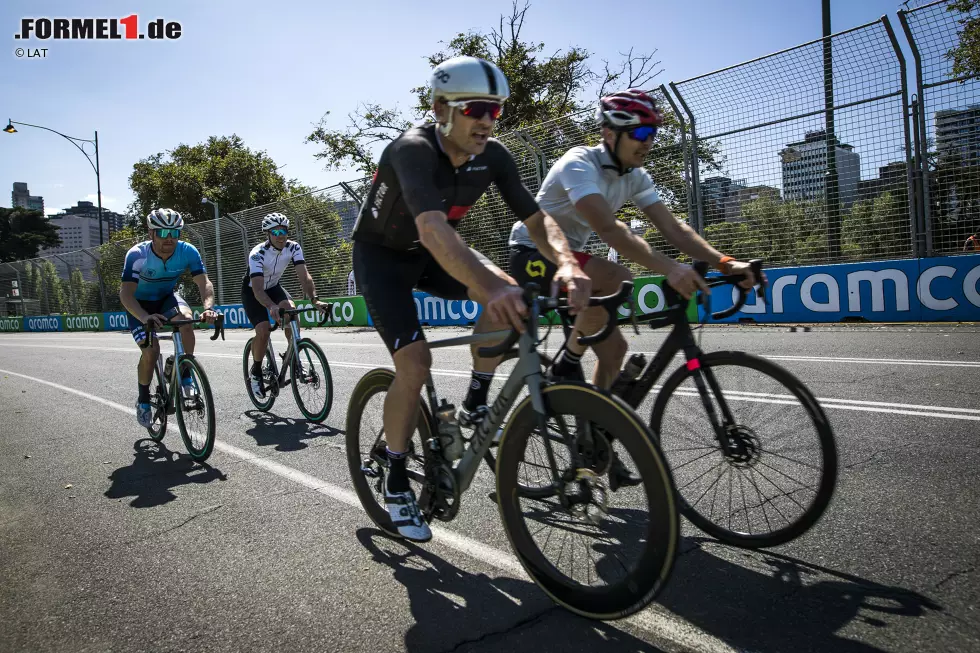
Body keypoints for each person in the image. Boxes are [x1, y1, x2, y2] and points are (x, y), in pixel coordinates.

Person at [465, 88, 761, 487]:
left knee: (616, 349)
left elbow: (672, 227)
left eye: (652, 134)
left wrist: (724, 261)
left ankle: (591, 436)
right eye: (640, 135)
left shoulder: (635, 176)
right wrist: (669, 267)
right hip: (533, 251)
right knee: (619, 278)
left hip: (577, 264)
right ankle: (547, 370)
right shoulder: (578, 163)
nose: (648, 143)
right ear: (610, 133)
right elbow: (608, 227)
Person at [351, 55, 591, 542]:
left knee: (512, 296)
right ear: (442, 107)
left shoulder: (494, 156)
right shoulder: (412, 150)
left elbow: (537, 219)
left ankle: (477, 401)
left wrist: (567, 262)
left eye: (496, 110)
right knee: (415, 365)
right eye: (476, 107)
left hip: (434, 255)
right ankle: (396, 478)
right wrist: (491, 285)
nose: (486, 120)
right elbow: (436, 230)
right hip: (383, 260)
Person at [119, 208, 218, 427]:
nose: (169, 238)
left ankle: (184, 373)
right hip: (139, 305)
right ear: (151, 233)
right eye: (163, 233)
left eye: (175, 233)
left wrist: (208, 307)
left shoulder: (188, 251)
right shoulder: (137, 255)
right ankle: (144, 399)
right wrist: (145, 317)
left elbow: (204, 283)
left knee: (185, 320)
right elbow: (125, 294)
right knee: (151, 351)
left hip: (165, 299)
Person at [242, 212, 329, 398]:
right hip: (253, 292)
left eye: (284, 231)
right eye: (276, 231)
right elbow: (258, 290)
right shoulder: (257, 254)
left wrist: (314, 299)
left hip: (273, 287)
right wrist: (272, 306)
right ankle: (256, 372)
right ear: (268, 233)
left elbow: (304, 276)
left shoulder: (293, 247)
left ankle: (296, 359)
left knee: (292, 312)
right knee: (263, 331)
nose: (281, 235)